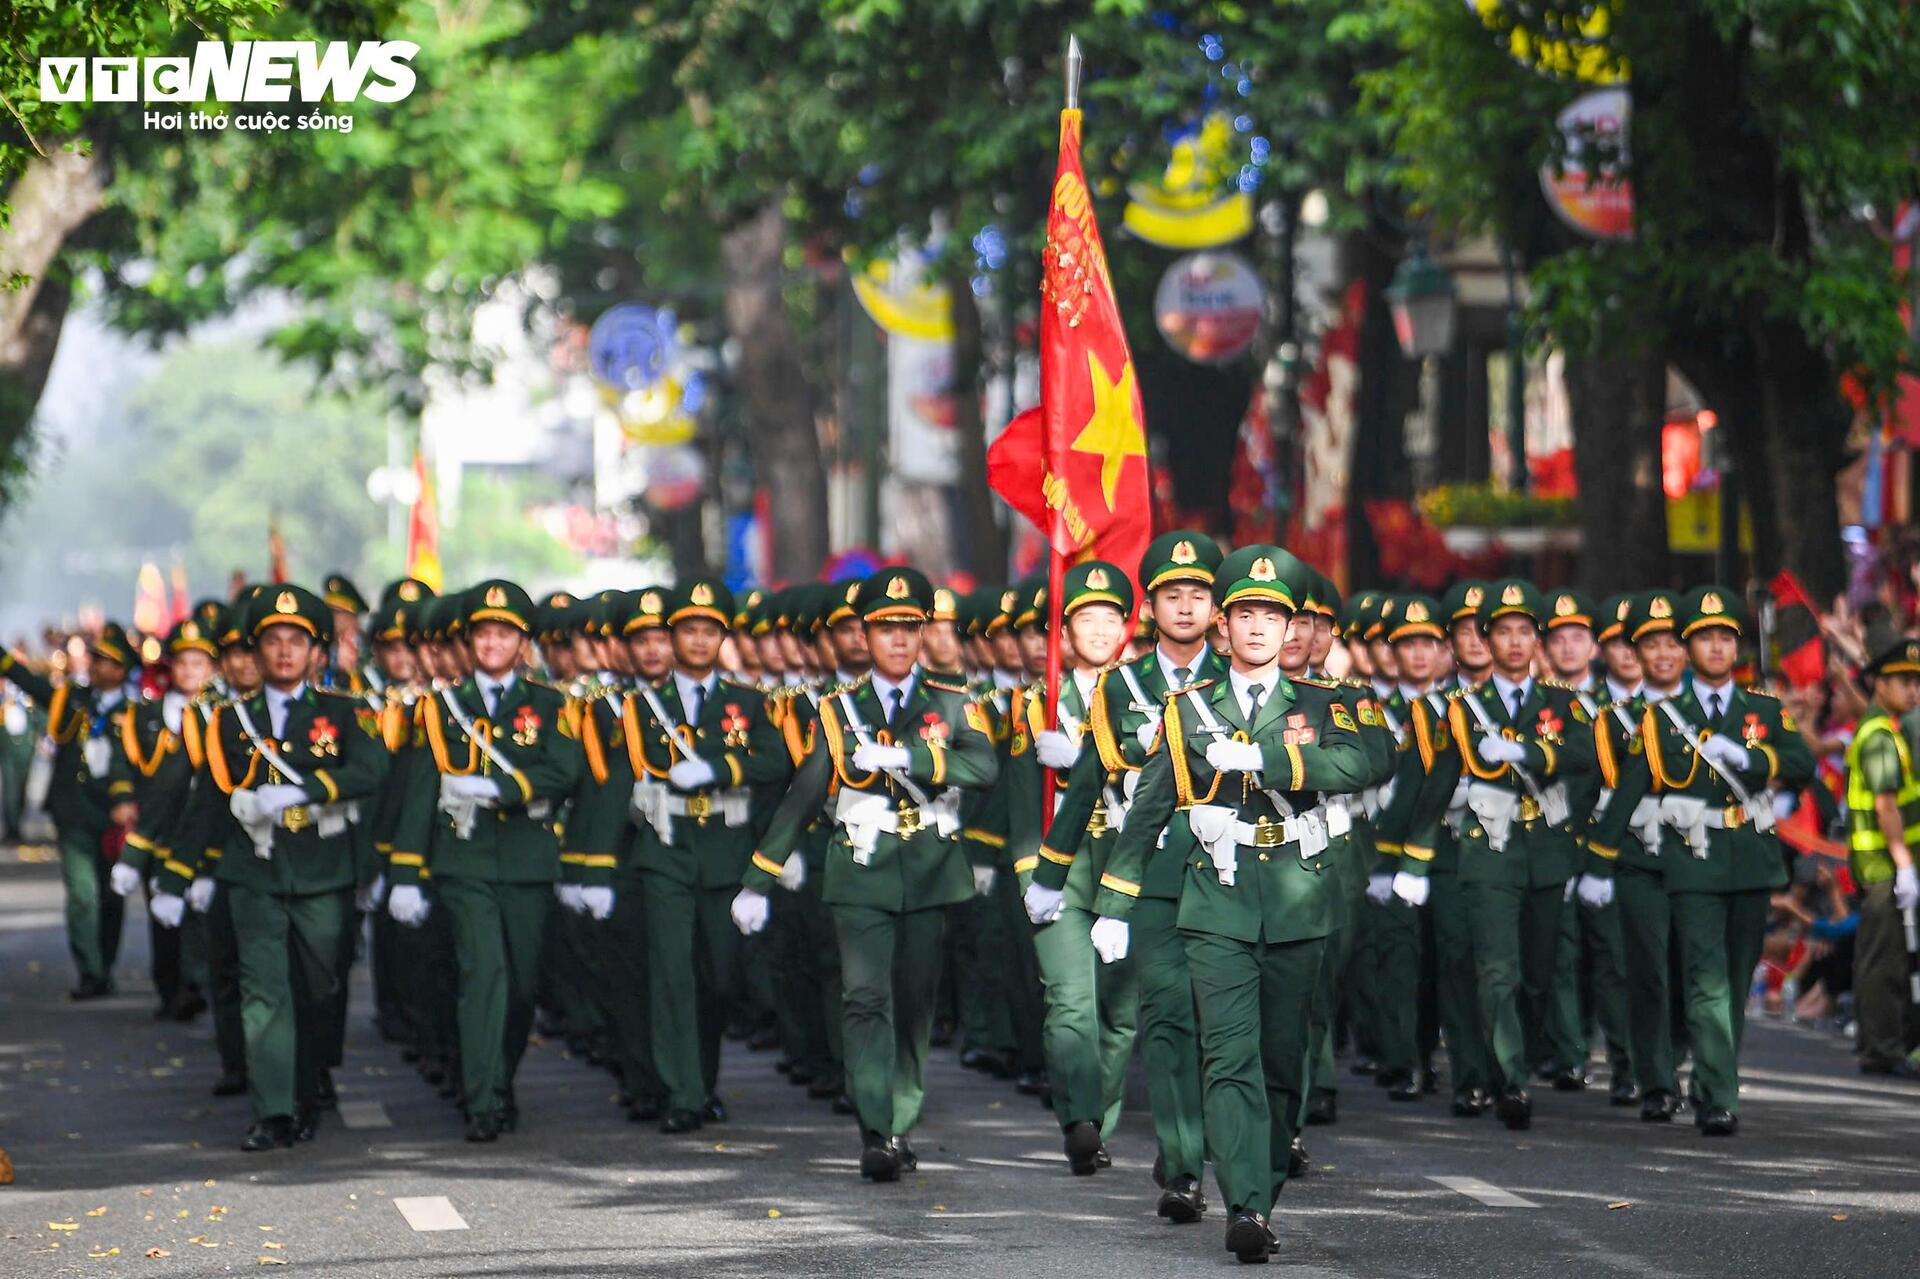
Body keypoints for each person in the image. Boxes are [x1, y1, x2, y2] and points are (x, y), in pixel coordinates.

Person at [1088, 546, 1371, 1264]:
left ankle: (1262, 1185)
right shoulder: (1189, 710)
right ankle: (1245, 1202)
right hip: (1215, 897)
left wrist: (1273, 763)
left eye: (1270, 615)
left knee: (1282, 1061)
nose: (1257, 626)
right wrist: (1115, 902)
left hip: (1299, 898)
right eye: (1244, 613)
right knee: (1228, 1056)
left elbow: (1372, 759)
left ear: (1288, 628)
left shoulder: (1324, 702)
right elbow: (1150, 804)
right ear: (1224, 626)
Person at [733, 567, 999, 1182]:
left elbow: (983, 768)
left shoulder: (953, 703)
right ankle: (877, 1127)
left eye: (910, 628)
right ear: (866, 636)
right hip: (860, 868)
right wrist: (759, 876)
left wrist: (910, 756)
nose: (900, 641)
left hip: (930, 868)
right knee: (863, 998)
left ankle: (901, 1116)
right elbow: (803, 794)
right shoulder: (838, 709)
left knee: (914, 1002)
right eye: (886, 630)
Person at [1038, 531, 1225, 1217]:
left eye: (1198, 594)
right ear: (1152, 608)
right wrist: (1050, 870)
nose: (1185, 606)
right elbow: (1088, 779)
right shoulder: (1123, 685)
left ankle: (1253, 1145)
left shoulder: (1241, 678)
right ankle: (1181, 1166)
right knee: (1168, 1020)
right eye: (1172, 594)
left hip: (1234, 873)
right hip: (1148, 872)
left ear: (1217, 605)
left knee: (1227, 1029)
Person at [182, 585, 385, 1150]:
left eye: (297, 640)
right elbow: (207, 800)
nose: (285, 651)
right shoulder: (230, 720)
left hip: (323, 871)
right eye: (273, 641)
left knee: (320, 988)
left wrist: (305, 792)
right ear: (255, 650)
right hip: (256, 873)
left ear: (317, 652)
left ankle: (311, 1075)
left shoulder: (347, 713)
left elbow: (371, 771)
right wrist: (182, 873)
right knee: (263, 992)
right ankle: (274, 1109)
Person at [389, 581, 582, 1141]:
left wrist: (502, 788)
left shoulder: (552, 705)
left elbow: (564, 770)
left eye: (504, 633)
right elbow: (420, 794)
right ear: (470, 641)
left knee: (521, 987)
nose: (493, 642)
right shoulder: (441, 707)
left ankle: (501, 1078)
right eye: (483, 633)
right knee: (483, 975)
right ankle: (483, 1100)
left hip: (527, 860)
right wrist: (406, 872)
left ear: (522, 642)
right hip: (463, 860)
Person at [1639, 586, 1814, 1134]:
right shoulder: (1666, 715)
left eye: (1725, 637)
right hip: (1693, 855)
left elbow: (1802, 761)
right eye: (1704, 638)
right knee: (1704, 977)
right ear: (1687, 647)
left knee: (1735, 978)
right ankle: (1719, 1094)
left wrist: (1753, 756)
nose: (1716, 648)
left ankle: (1702, 1073)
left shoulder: (1762, 708)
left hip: (1750, 856)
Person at [1423, 579, 1595, 1130]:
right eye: (1503, 631)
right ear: (1486, 638)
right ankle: (1509, 1080)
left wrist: (1529, 751)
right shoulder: (1462, 708)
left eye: (1524, 631)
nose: (1515, 642)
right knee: (1495, 970)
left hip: (1545, 850)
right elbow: (1432, 783)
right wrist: (1407, 855)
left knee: (1538, 972)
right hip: (1487, 851)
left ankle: (1513, 1059)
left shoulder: (1563, 704)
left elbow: (1587, 754)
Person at [1018, 560, 1140, 1176]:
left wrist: (1096, 761)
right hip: (1062, 870)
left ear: (1125, 626)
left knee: (1120, 1011)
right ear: (1063, 635)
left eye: (1109, 617)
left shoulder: (1150, 697)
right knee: (1070, 1000)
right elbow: (1019, 800)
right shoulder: (1037, 701)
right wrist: (1029, 875)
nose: (1097, 628)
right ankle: (1080, 1120)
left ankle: (1103, 1119)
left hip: (1127, 866)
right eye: (1085, 618)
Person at [1, 623, 140, 998]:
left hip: (113, 817)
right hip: (74, 812)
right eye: (95, 660)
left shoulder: (137, 712)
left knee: (111, 896)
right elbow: (32, 684)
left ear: (123, 670)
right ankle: (90, 970)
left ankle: (105, 964)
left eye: (107, 662)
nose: (97, 668)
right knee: (82, 893)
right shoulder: (73, 700)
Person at [1843, 638, 1920, 1077]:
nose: (1913, 690)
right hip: (1882, 865)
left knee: (1886, 955)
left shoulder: (1887, 728)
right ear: (1879, 684)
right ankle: (1882, 1048)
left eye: (1916, 682)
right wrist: (1904, 863)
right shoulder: (1878, 735)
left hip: (1884, 864)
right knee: (1884, 960)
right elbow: (1886, 805)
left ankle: (1882, 1043)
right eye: (1903, 681)